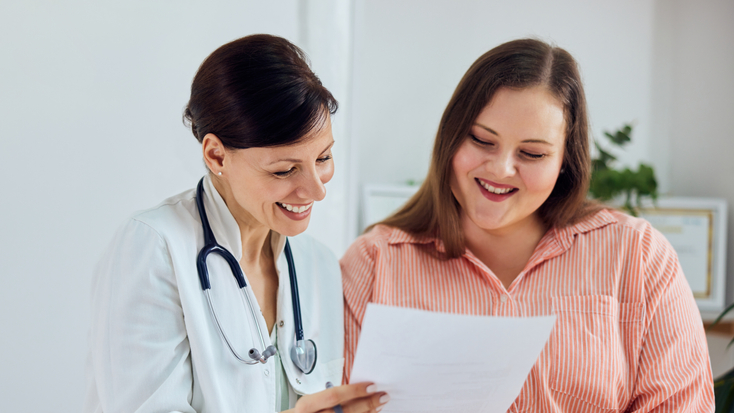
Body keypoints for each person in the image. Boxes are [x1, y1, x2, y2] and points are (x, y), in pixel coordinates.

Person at [341, 38, 714, 411]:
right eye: (482, 140)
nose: (501, 169)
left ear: (565, 159)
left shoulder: (637, 256)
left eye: (532, 153)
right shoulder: (374, 264)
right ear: (450, 136)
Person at [85, 34, 387, 413]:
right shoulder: (155, 248)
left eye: (323, 158)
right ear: (216, 156)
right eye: (285, 170)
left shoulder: (318, 264)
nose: (315, 190)